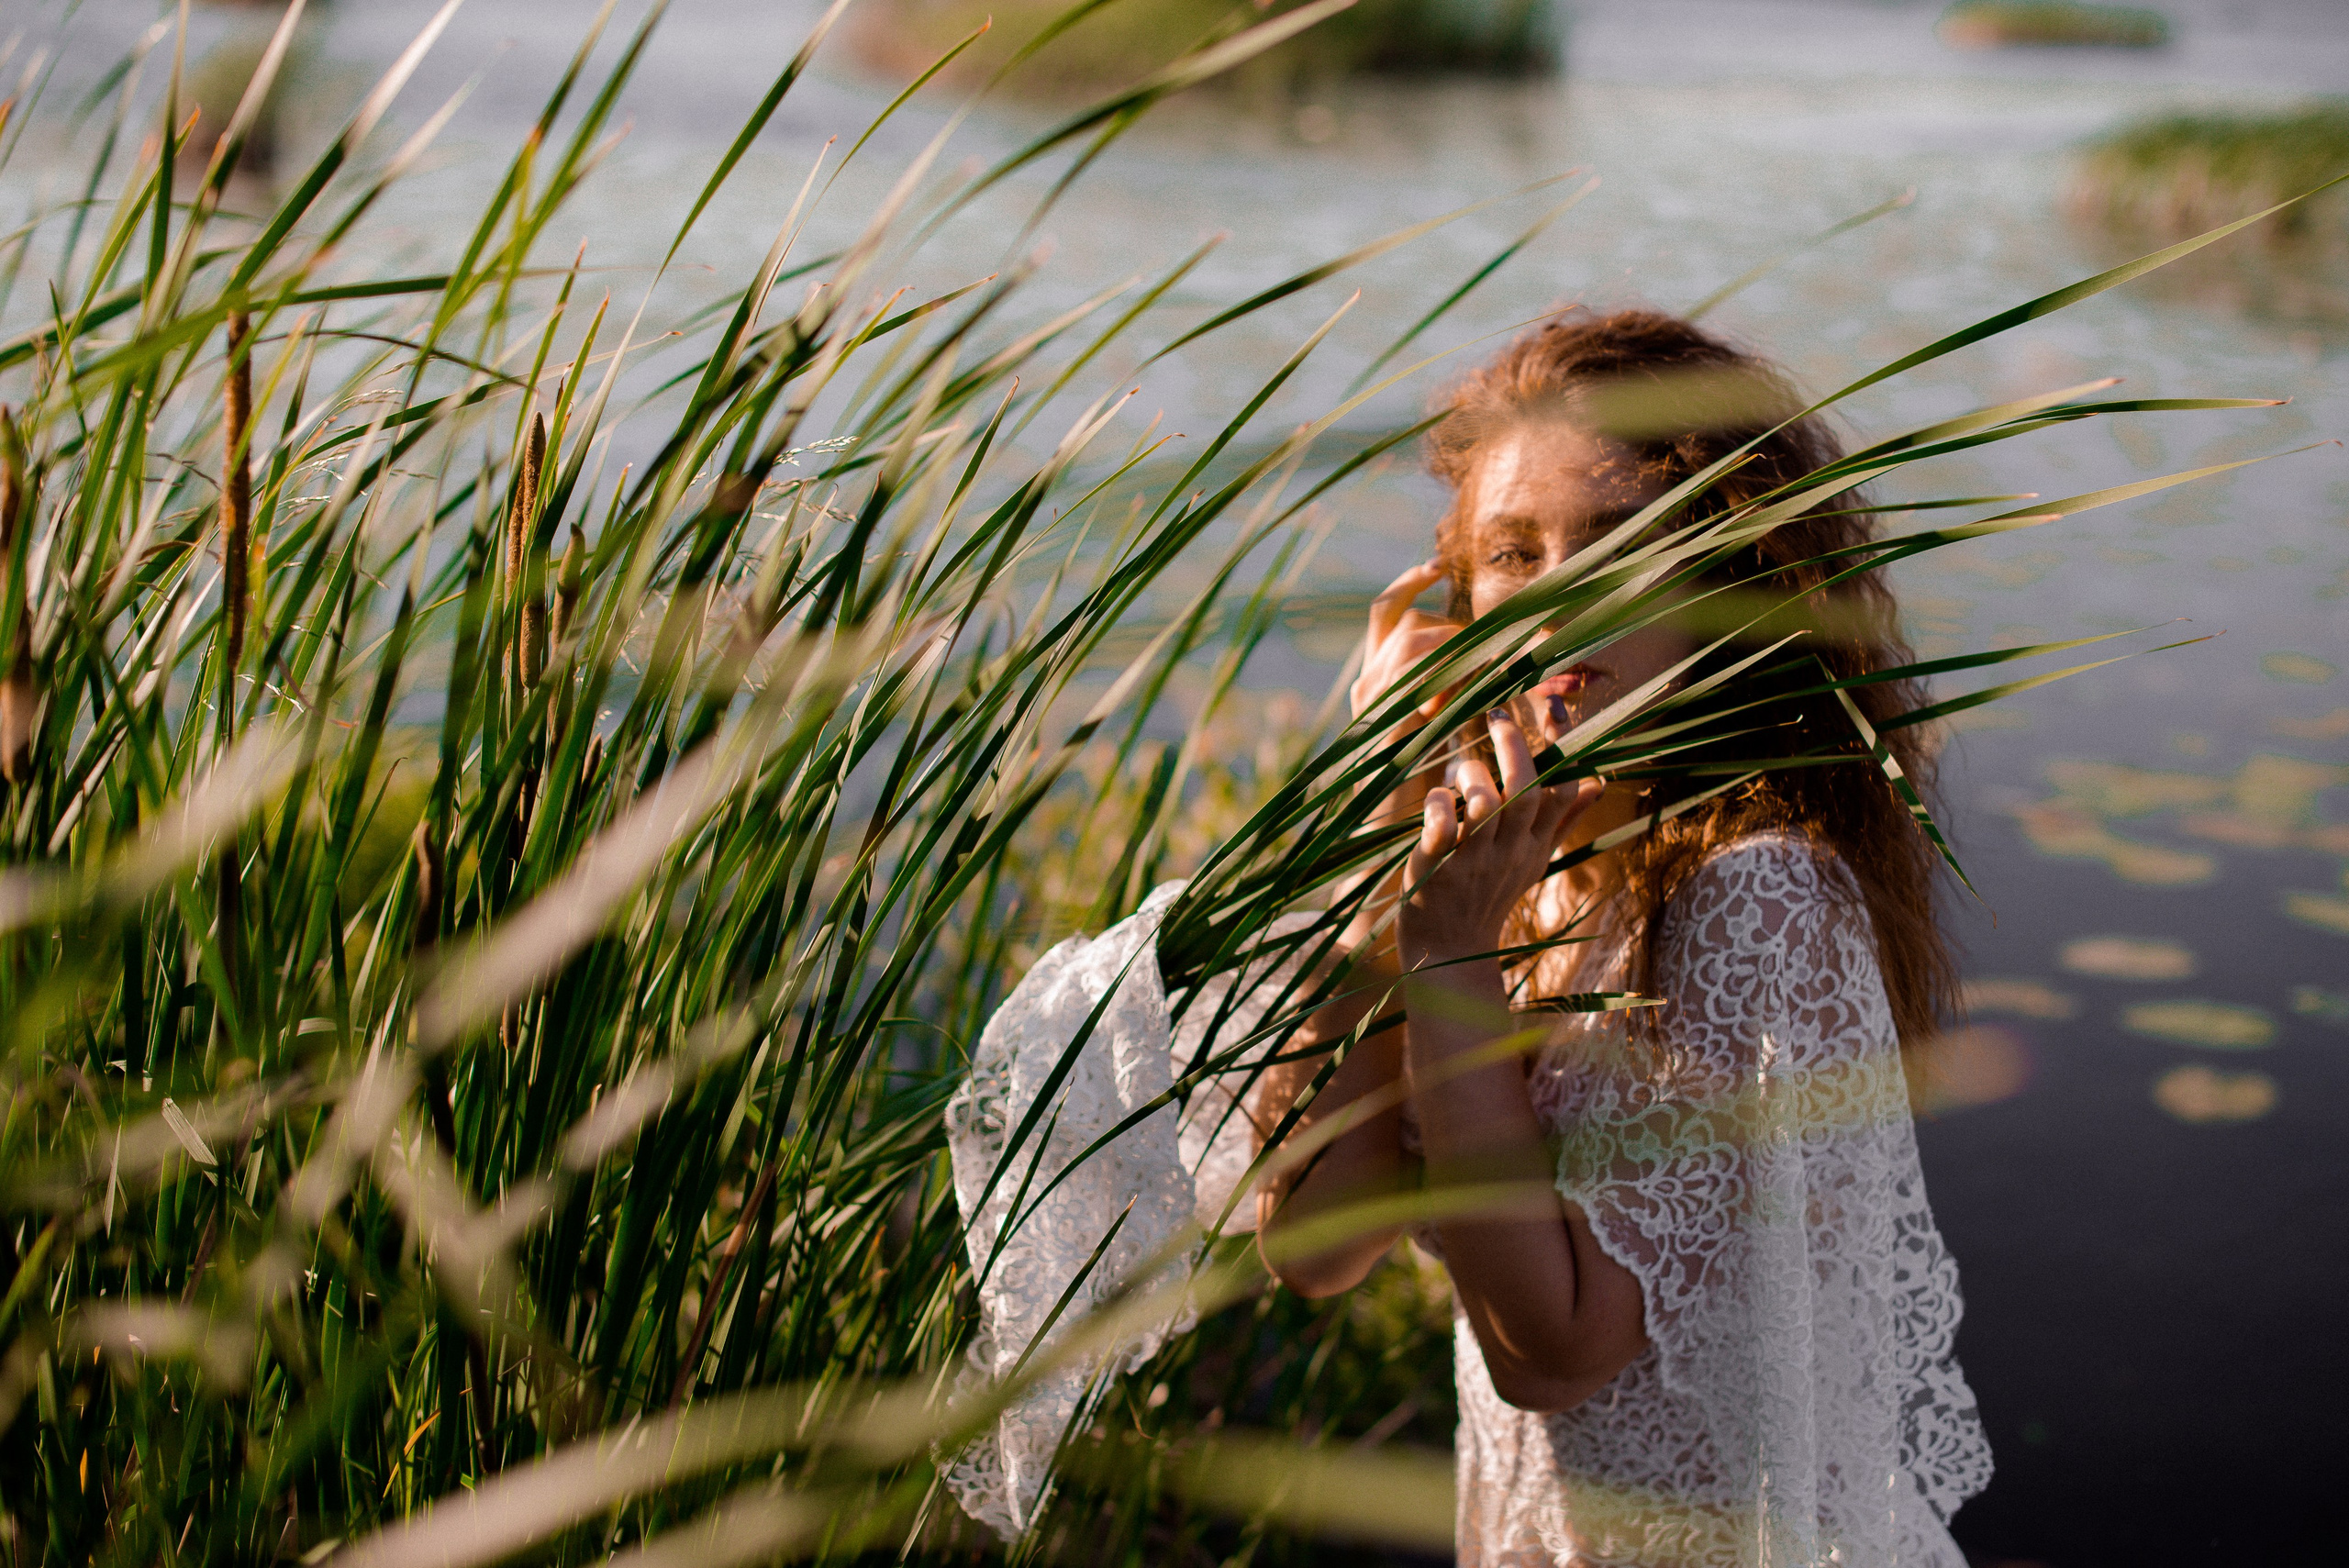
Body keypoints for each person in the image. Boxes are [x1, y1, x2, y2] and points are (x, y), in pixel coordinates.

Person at [1246, 308, 1992, 1567]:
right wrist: (1387, 824)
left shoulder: (1759, 895)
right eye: (1514, 553)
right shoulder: (1520, 874)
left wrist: (1448, 966)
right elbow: (1317, 1236)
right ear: (1457, 596)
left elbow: (1555, 1349)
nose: (1560, 600)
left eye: (1616, 542)